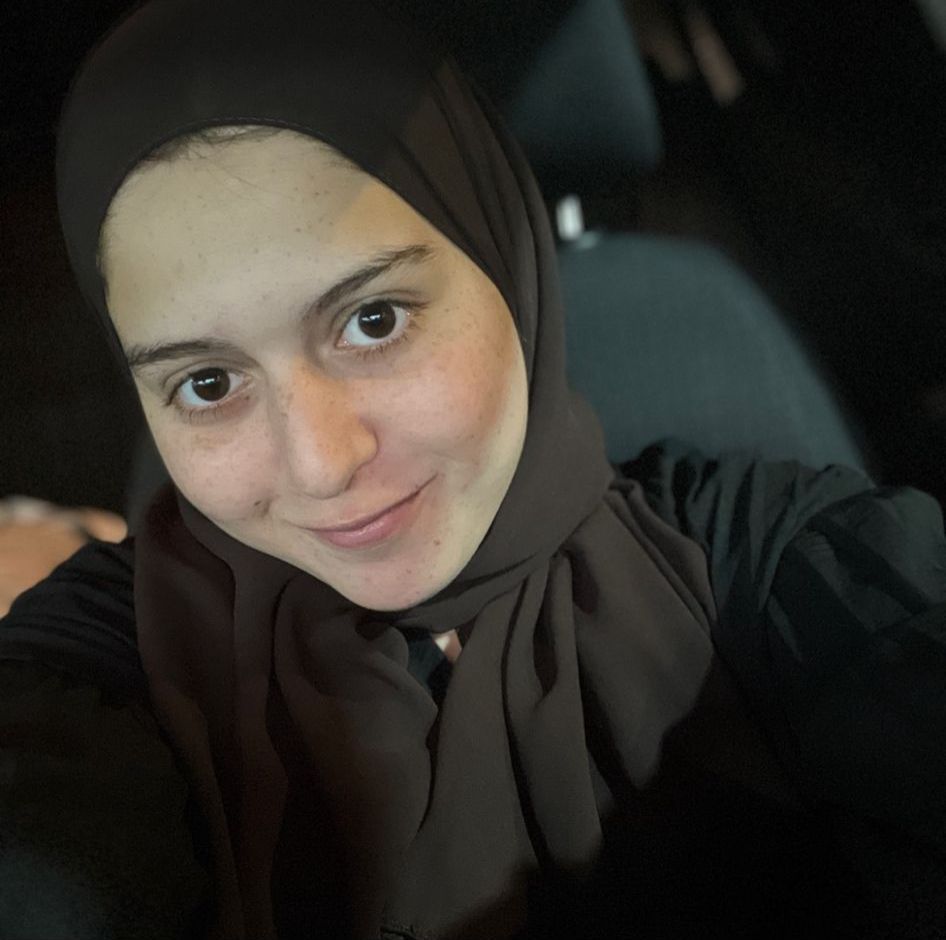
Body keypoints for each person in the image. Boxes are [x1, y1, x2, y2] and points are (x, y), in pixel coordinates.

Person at [1, 0, 945, 937]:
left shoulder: (762, 566)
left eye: (373, 320)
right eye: (207, 383)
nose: (322, 465)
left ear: (507, 259)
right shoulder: (111, 651)